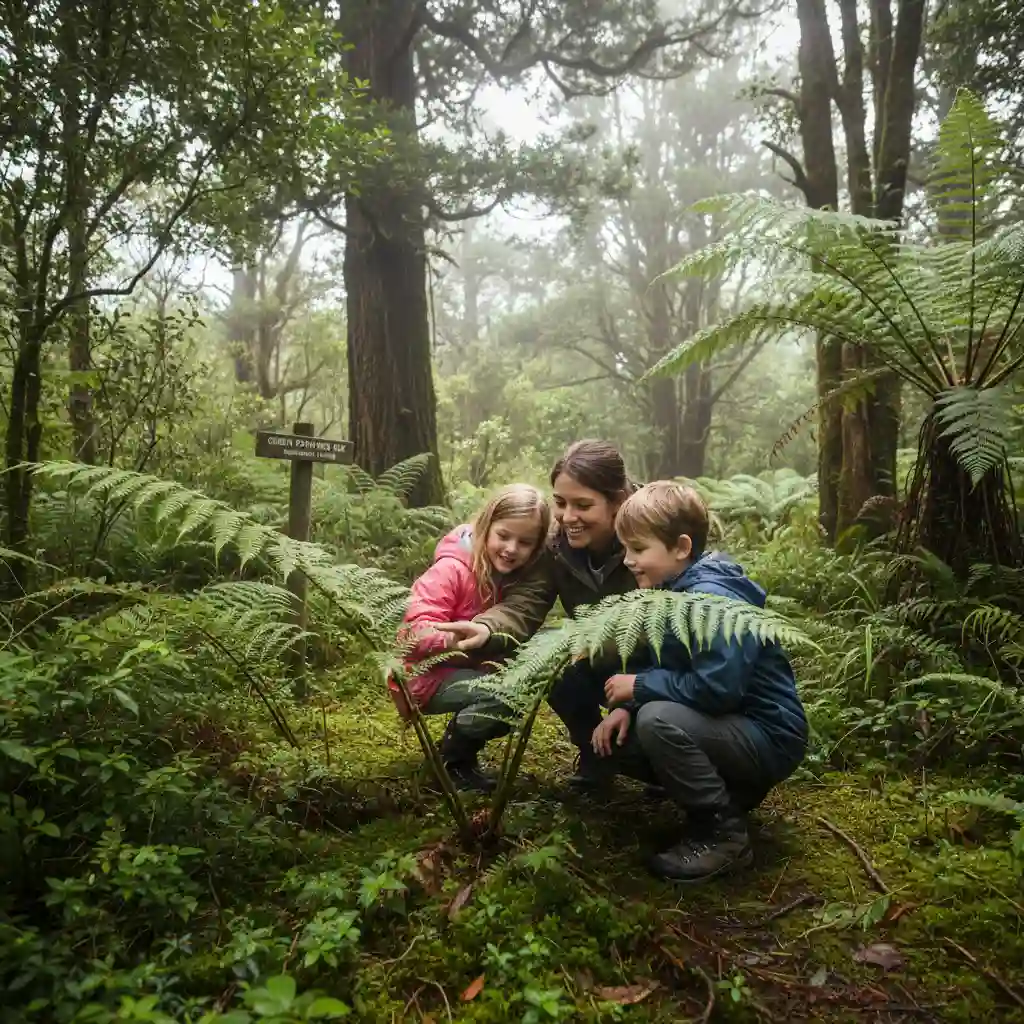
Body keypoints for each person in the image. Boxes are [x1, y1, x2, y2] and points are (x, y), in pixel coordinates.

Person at [590, 480, 808, 883]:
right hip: (731, 728)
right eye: (625, 549)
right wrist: (625, 706)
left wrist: (638, 689)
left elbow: (718, 689)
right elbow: (667, 661)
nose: (627, 561)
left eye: (638, 549)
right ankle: (731, 795)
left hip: (767, 735)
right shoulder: (671, 590)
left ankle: (724, 835)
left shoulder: (711, 600)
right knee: (622, 738)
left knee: (658, 720)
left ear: (682, 547)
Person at [436, 439, 643, 789]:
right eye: (560, 503)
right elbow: (526, 602)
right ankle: (594, 755)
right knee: (553, 657)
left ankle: (654, 765)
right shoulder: (556, 546)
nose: (567, 517)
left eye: (583, 505)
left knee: (649, 742)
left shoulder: (651, 531)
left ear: (618, 501)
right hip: (596, 655)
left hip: (657, 661)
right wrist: (486, 629)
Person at [389, 483, 551, 792]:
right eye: (504, 536)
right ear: (485, 526)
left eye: (525, 542)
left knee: (514, 696)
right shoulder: (451, 569)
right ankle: (451, 762)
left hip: (466, 670)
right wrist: (453, 641)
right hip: (424, 675)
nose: (512, 548)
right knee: (503, 696)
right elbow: (413, 631)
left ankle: (459, 755)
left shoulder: (510, 576)